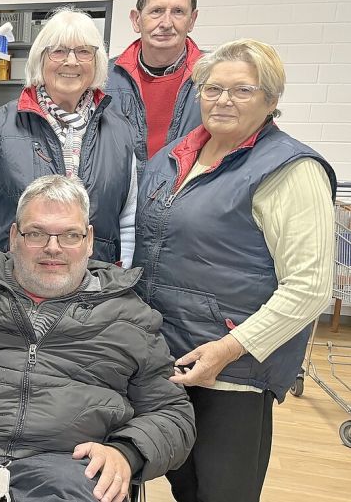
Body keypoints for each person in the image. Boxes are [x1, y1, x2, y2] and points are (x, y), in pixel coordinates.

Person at [0, 175, 195, 502]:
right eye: (36, 233)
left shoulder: (131, 317)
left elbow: (173, 413)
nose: (53, 248)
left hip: (70, 470)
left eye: (70, 235)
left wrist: (127, 452)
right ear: (14, 236)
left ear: (89, 240)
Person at [134, 39, 336, 502]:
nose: (223, 99)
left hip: (233, 371)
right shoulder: (173, 158)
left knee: (223, 491)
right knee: (183, 480)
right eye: (212, 88)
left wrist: (228, 349)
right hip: (168, 357)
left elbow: (309, 287)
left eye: (242, 90)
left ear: (271, 100)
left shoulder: (289, 169)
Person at [0, 7, 138, 270]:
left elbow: (127, 221)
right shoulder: (3, 125)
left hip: (93, 287)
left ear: (97, 62)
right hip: (8, 285)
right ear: (40, 59)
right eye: (58, 51)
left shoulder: (121, 133)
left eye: (84, 51)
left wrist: (120, 280)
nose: (71, 62)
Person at [107, 0, 203, 171]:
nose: (166, 23)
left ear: (192, 20)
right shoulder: (104, 78)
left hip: (185, 201)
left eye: (178, 11)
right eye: (156, 11)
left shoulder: (215, 77)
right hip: (121, 202)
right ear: (136, 19)